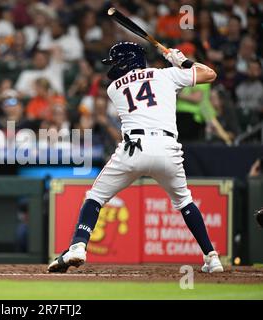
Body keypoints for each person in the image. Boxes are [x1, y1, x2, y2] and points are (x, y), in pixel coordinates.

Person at [49, 42, 224, 274]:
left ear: (126, 61)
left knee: (95, 197)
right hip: (167, 148)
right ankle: (212, 258)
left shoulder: (114, 88)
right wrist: (182, 62)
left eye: (116, 62)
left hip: (134, 149)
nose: (113, 67)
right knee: (184, 202)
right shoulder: (167, 75)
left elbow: (139, 82)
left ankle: (78, 246)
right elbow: (210, 74)